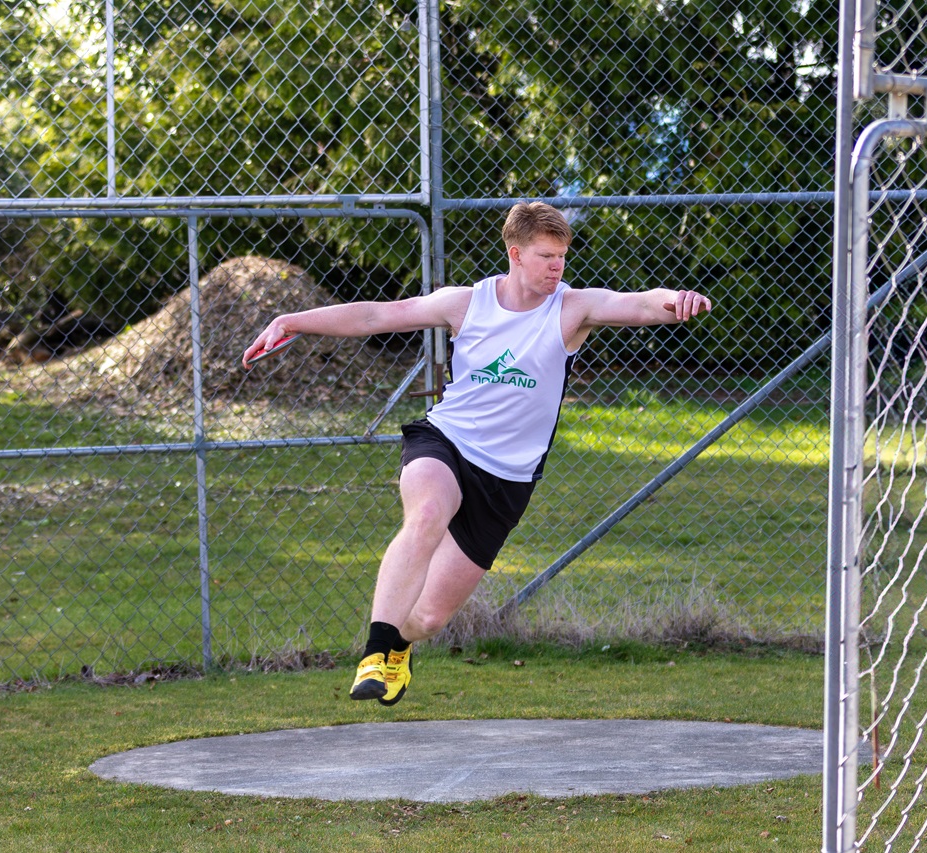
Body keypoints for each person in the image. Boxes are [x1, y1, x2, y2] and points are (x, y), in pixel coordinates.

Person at [242, 201, 712, 706]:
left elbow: (640, 303)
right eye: (545, 256)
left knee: (428, 617)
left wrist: (678, 300)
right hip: (446, 442)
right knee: (424, 516)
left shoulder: (572, 309)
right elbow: (380, 315)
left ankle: (398, 647)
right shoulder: (466, 303)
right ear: (515, 253)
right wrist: (292, 320)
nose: (557, 266)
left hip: (507, 479)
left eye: (562, 256)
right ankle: (374, 654)